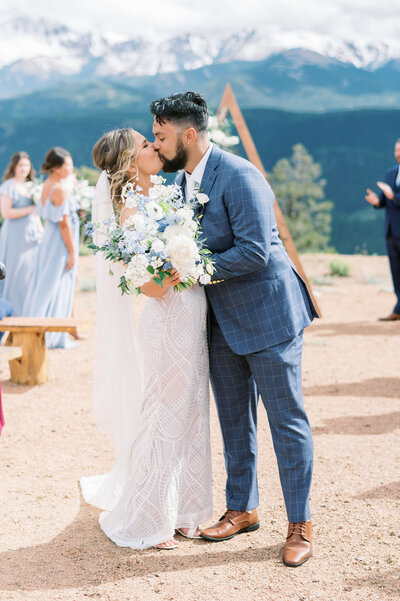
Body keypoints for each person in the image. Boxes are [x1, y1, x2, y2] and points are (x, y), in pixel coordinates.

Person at [151, 91, 318, 567]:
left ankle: (299, 524)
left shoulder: (241, 175)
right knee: (233, 419)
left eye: (161, 137)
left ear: (188, 135)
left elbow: (254, 252)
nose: (157, 145)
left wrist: (191, 269)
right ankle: (243, 508)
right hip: (219, 321)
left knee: (286, 422)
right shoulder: (182, 183)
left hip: (269, 316)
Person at [80, 128, 212, 550]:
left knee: (190, 411)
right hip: (167, 320)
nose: (154, 146)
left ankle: (186, 511)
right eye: (144, 144)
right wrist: (178, 265)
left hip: (191, 313)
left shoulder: (160, 194)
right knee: (162, 416)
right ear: (128, 163)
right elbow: (149, 287)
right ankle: (146, 518)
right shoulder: (129, 213)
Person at [23, 147, 80, 348]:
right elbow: (63, 224)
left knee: (47, 280)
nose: (71, 168)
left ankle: (43, 326)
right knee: (57, 281)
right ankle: (51, 332)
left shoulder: (48, 184)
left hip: (50, 238)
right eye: (68, 165)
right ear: (57, 167)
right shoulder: (60, 189)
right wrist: (72, 252)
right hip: (60, 241)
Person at [0, 152, 42, 314]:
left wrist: (40, 230)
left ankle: (27, 312)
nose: (24, 168)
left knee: (29, 274)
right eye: (21, 165)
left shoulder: (32, 185)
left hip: (31, 235)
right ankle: (10, 311)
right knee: (15, 273)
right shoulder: (8, 186)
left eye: (27, 165)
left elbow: (37, 214)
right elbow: (6, 213)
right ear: (14, 167)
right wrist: (30, 209)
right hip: (15, 236)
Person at [365, 138, 400, 321]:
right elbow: (385, 201)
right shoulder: (390, 172)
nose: (397, 153)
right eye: (396, 150)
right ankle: (399, 307)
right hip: (391, 231)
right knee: (396, 272)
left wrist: (393, 195)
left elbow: (393, 197)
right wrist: (377, 201)